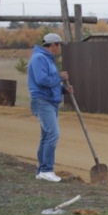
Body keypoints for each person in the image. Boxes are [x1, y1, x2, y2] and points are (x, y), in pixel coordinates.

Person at [27, 32, 73, 182]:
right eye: (58, 45)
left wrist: (64, 90)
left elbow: (51, 84)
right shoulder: (39, 59)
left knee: (46, 136)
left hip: (50, 101)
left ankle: (42, 171)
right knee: (53, 134)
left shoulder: (48, 59)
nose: (59, 48)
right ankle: (47, 170)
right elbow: (42, 80)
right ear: (52, 45)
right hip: (42, 102)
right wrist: (60, 77)